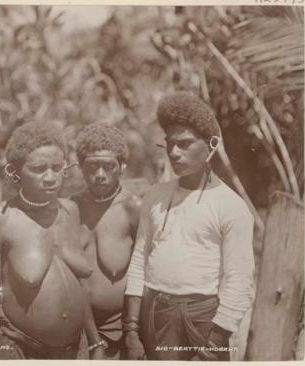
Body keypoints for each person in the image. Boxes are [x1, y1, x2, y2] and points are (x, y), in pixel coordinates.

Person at [124, 91, 255, 361]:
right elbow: (139, 261)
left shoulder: (231, 206)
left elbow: (239, 281)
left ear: (211, 144)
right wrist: (132, 330)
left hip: (203, 321)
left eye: (184, 144)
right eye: (169, 144)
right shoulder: (154, 197)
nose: (174, 152)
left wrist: (215, 342)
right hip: (155, 314)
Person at [0, 121, 106, 360]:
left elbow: (79, 284)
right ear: (14, 171)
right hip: (22, 349)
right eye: (38, 169)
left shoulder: (69, 211)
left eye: (57, 168)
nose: (50, 178)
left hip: (74, 349)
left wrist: (95, 342)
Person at [71, 123, 142, 359]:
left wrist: (134, 333)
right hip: (75, 330)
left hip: (121, 332)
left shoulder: (132, 209)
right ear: (80, 167)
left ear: (122, 166)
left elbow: (146, 271)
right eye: (92, 166)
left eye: (108, 166)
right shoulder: (72, 208)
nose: (100, 174)